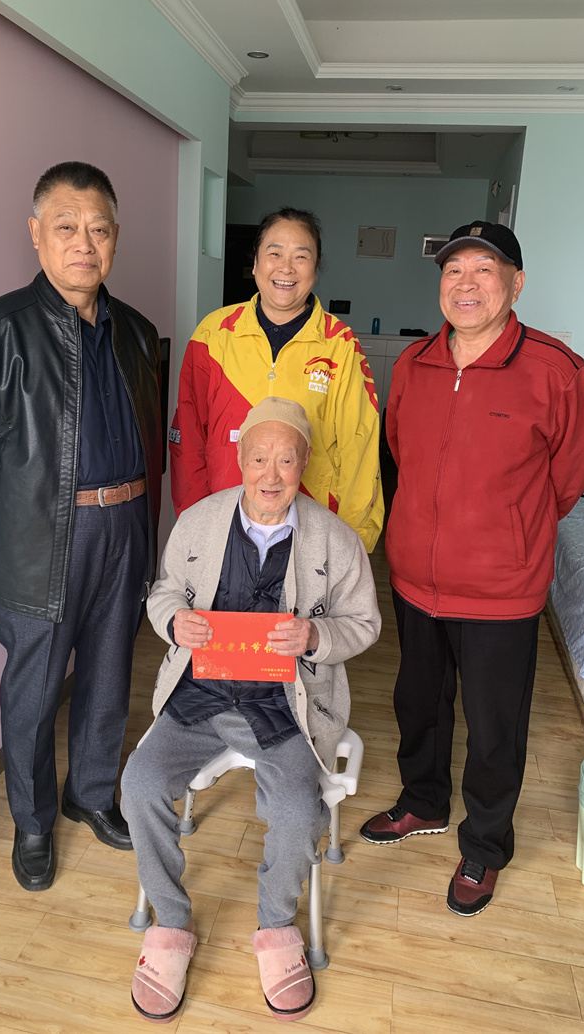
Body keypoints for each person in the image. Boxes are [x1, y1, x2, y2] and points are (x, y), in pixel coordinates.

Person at [0, 161, 163, 891]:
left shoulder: (137, 332)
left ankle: (89, 794)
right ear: (36, 234)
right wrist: (9, 526)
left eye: (99, 229)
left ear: (116, 238)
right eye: (66, 226)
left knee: (108, 675)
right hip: (38, 543)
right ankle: (31, 823)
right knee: (33, 692)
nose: (83, 244)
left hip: (124, 530)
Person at [360, 220, 584, 916]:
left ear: (516, 284)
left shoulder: (555, 370)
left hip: (501, 589)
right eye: (453, 270)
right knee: (418, 704)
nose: (466, 284)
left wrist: (511, 530)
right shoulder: (415, 363)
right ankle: (424, 802)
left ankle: (487, 844)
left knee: (495, 727)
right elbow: (400, 450)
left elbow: (570, 475)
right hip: (415, 578)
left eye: (484, 270)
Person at [121, 397, 380, 1024]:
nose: (271, 475)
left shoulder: (337, 540)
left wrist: (315, 636)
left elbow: (365, 623)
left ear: (303, 464)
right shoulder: (198, 522)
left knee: (297, 808)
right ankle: (170, 923)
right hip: (200, 695)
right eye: (259, 458)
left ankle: (276, 926)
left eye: (285, 460)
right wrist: (174, 623)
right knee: (139, 784)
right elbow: (163, 593)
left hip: (285, 704)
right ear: (240, 460)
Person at [169, 207, 384, 551]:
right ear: (255, 263)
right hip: (223, 519)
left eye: (301, 256)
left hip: (310, 528)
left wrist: (350, 541)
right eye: (274, 253)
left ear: (315, 268)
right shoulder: (213, 335)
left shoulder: (340, 345)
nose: (286, 268)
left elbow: (359, 449)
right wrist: (194, 520)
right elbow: (189, 438)